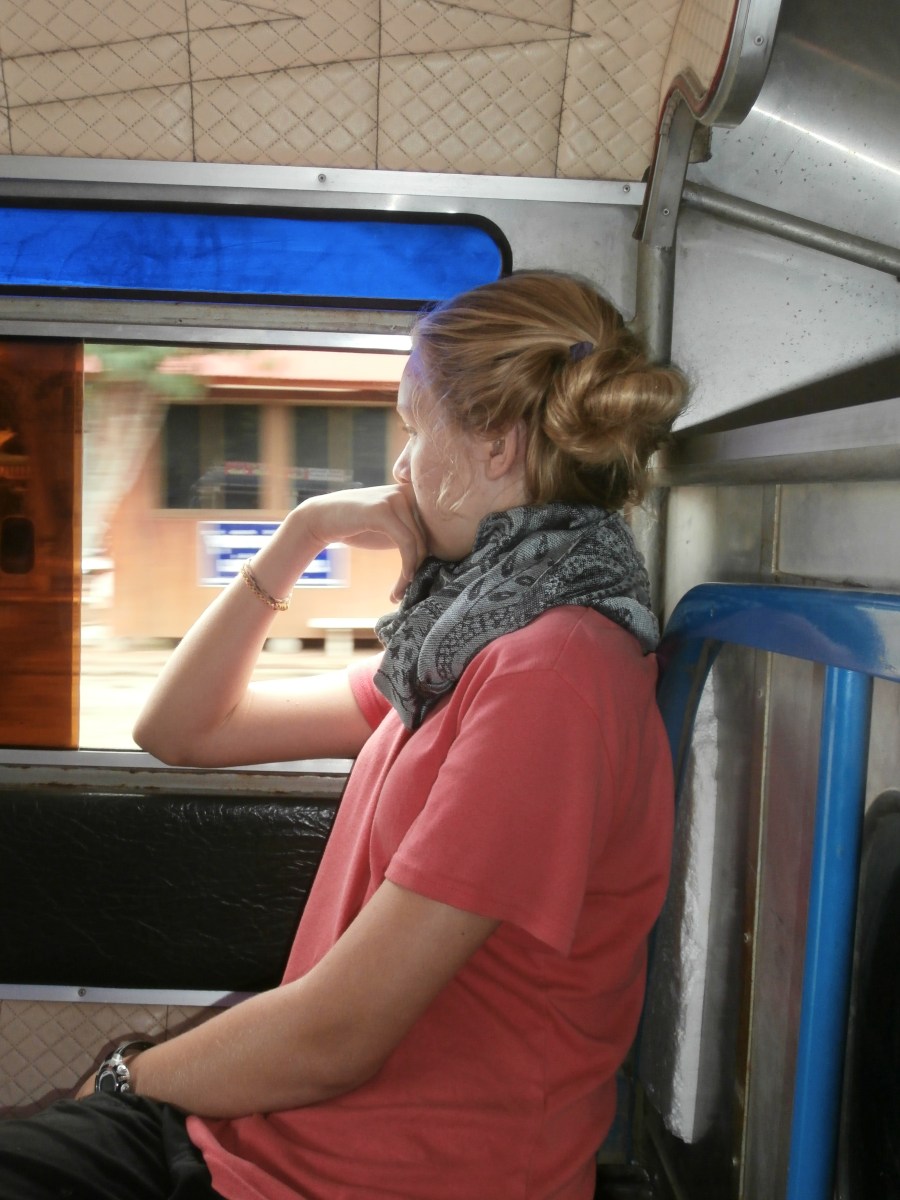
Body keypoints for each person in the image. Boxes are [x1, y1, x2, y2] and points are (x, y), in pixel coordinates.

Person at [0, 270, 687, 1199]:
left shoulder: (552, 673)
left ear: (495, 442)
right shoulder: (467, 648)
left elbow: (338, 1037)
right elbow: (181, 728)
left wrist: (124, 1078)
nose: (401, 465)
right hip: (276, 1148)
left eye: (415, 427)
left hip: (372, 1178)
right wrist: (304, 531)